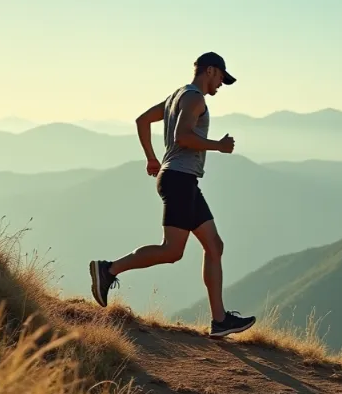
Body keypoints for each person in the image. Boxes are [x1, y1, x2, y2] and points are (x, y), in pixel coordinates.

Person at [88, 52, 256, 338]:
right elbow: (182, 137)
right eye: (221, 79)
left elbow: (142, 120)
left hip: (182, 180)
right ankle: (108, 269)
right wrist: (218, 145)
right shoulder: (194, 98)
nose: (221, 86)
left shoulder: (175, 97)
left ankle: (220, 321)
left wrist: (152, 159)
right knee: (172, 250)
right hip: (179, 180)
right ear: (210, 71)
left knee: (214, 245)